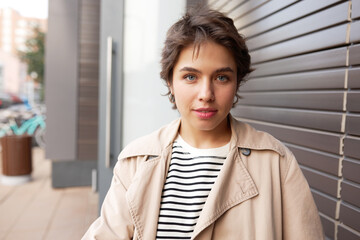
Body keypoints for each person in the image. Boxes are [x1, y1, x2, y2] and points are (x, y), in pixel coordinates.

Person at [83, 7, 324, 240]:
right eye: (190, 77)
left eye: (221, 77)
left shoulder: (276, 162)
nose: (206, 94)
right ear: (170, 81)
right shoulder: (136, 161)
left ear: (237, 82)